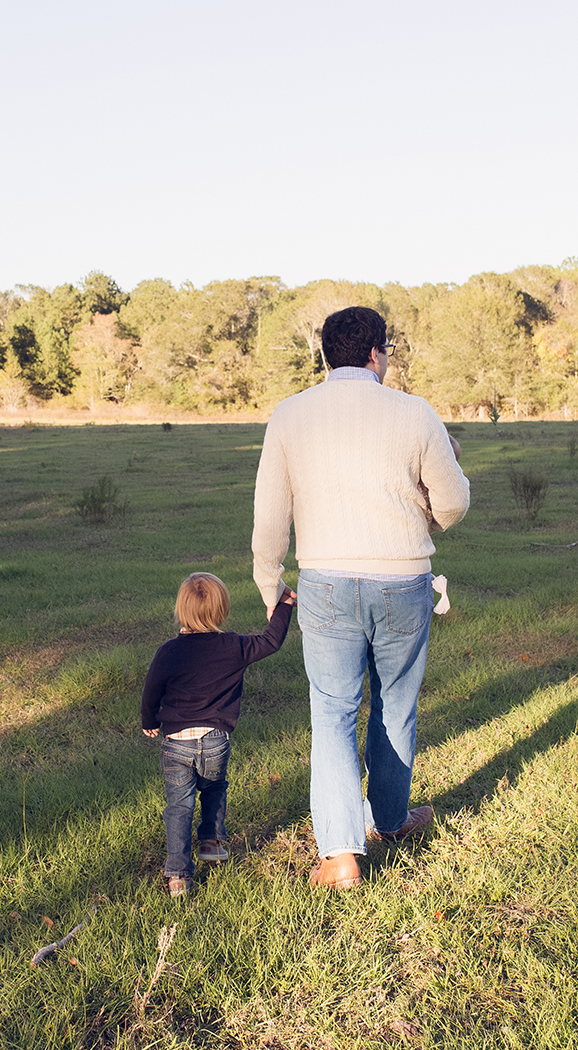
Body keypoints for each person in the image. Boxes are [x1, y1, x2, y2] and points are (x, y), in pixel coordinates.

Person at [251, 306, 469, 889]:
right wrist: (433, 487)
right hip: (402, 580)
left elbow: (271, 513)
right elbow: (451, 507)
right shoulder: (415, 413)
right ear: (376, 353)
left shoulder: (289, 415)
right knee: (395, 705)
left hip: (323, 583)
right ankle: (392, 823)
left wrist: (271, 586)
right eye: (387, 350)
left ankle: (342, 855)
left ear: (328, 355)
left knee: (332, 713)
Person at [141, 571, 295, 896]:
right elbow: (271, 641)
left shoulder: (169, 652)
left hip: (176, 744)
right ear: (222, 610)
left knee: (179, 806)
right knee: (214, 787)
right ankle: (210, 842)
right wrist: (284, 605)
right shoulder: (234, 646)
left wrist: (149, 719)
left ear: (181, 611)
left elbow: (151, 689)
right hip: (215, 741)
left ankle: (178, 875)